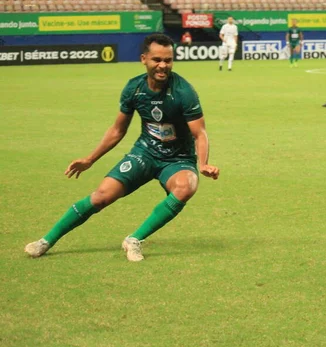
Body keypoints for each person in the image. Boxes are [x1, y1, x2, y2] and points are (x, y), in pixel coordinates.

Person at [24, 33, 220, 262]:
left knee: (187, 186)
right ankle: (45, 241)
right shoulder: (134, 89)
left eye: (168, 60)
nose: (163, 65)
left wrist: (203, 163)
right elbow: (118, 130)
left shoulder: (183, 92)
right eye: (157, 59)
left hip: (178, 159)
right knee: (100, 197)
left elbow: (200, 133)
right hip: (145, 153)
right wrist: (90, 159)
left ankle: (134, 240)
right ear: (144, 59)